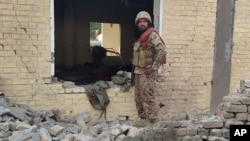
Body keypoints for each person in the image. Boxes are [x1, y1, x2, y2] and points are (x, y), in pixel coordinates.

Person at [132, 11, 167, 122]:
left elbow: (162, 51)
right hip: (138, 71)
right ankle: (143, 120)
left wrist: (153, 67)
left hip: (147, 72)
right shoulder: (141, 37)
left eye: (144, 21)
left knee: (147, 97)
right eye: (140, 22)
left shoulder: (152, 35)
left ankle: (152, 121)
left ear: (148, 23)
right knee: (138, 98)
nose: (142, 24)